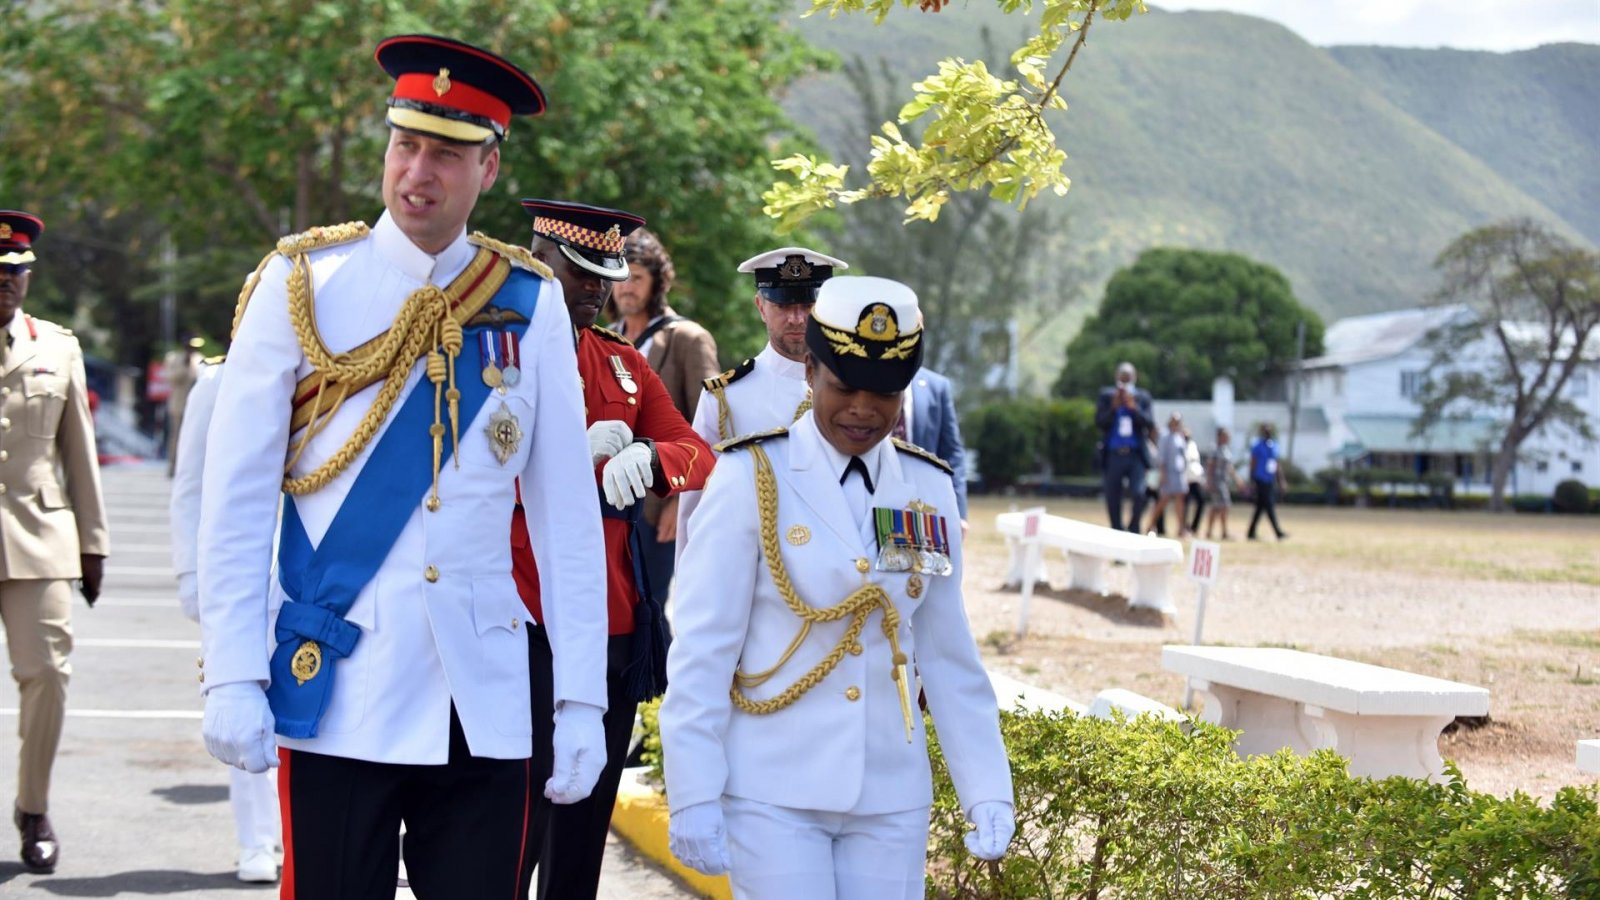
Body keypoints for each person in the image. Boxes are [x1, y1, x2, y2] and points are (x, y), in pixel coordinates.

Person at [194, 36, 610, 900]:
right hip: (340, 689)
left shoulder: (527, 305)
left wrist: (580, 704)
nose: (418, 171)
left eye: (448, 153)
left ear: (489, 168)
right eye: (405, 144)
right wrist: (232, 671)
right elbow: (233, 500)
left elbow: (567, 521)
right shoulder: (300, 283)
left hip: (481, 700)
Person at [660, 275, 1015, 900]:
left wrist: (986, 786)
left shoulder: (926, 487)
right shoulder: (752, 476)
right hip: (772, 787)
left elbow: (948, 653)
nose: (861, 409)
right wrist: (692, 790)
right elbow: (703, 647)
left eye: (883, 393)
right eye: (843, 386)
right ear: (810, 375)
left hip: (889, 791)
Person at [514, 201, 713, 899]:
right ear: (540, 263)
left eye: (606, 276)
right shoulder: (492, 353)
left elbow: (698, 454)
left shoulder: (621, 364)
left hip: (608, 619)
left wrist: (653, 460)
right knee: (510, 822)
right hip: (520, 612)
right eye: (581, 275)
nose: (597, 291)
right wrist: (558, 460)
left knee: (582, 822)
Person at [0, 210, 108, 875]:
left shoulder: (57, 347)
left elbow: (80, 452)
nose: (5, 285)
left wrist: (92, 544)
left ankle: (33, 807)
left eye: (15, 274)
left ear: (29, 277)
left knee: (47, 674)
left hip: (38, 534)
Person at [168, 359, 279, 883]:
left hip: (323, 569)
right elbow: (192, 486)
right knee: (245, 697)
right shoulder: (219, 380)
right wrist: (194, 576)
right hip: (245, 571)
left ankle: (290, 831)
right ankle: (255, 839)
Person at [675, 246, 847, 557]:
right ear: (760, 307)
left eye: (808, 305)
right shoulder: (725, 397)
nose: (796, 318)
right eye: (783, 306)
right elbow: (696, 505)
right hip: (755, 568)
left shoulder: (856, 388)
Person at [608, 227, 718, 604]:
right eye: (620, 277)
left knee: (651, 613)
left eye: (637, 277)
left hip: (659, 506)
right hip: (606, 502)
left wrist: (680, 501)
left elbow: (712, 427)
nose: (626, 287)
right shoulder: (601, 338)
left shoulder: (686, 338)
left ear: (657, 283)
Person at [902, 366, 969, 530]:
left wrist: (958, 512)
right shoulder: (869, 377)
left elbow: (952, 453)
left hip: (923, 506)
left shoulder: (937, 386)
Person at [1094, 361, 1154, 532]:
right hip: (1113, 454)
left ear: (1134, 378)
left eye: (1128, 380)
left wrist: (1133, 408)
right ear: (1116, 378)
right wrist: (1114, 408)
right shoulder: (1107, 396)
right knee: (1113, 498)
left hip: (1135, 454)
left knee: (1140, 493)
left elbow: (1149, 424)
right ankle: (1117, 534)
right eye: (1122, 379)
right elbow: (1099, 423)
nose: (1125, 384)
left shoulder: (1142, 397)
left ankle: (1134, 528)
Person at [162, 336, 204, 475]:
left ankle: (190, 468)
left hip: (196, 406)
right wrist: (184, 366)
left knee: (194, 437)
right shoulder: (174, 359)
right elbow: (170, 377)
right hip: (178, 405)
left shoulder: (200, 359)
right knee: (176, 437)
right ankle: (173, 466)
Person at [1146, 413, 1191, 538]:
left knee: (1180, 501)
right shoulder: (1165, 437)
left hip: (1179, 473)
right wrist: (1163, 474)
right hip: (1168, 472)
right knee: (1163, 501)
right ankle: (1150, 525)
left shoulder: (1179, 437)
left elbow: (1183, 457)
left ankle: (1181, 528)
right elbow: (1162, 458)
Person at [1247, 423, 1289, 541]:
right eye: (1265, 431)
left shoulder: (1275, 445)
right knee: (1269, 505)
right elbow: (1253, 463)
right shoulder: (1257, 446)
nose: (1267, 433)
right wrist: (1251, 480)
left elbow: (1276, 464)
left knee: (1260, 507)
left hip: (1270, 480)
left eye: (1269, 431)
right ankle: (1278, 532)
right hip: (1260, 479)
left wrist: (1281, 480)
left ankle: (1251, 532)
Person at [1204, 426, 1241, 540]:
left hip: (1224, 482)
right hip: (1217, 482)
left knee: (1217, 507)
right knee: (1222, 506)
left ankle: (1214, 532)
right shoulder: (1215, 450)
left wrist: (1237, 479)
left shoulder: (1226, 450)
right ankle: (1220, 532)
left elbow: (1229, 467)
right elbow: (1210, 467)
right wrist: (1209, 482)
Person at [1183, 424, 1206, 534]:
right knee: (1185, 505)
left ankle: (1194, 527)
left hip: (1195, 479)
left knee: (1201, 502)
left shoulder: (1193, 445)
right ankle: (1184, 527)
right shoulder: (1180, 445)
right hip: (1185, 479)